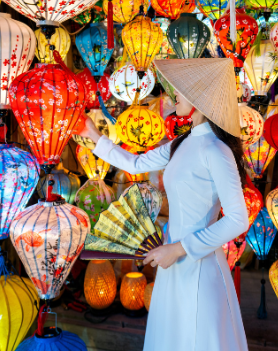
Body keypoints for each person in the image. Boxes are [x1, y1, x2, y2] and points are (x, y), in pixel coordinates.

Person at [78, 58, 249, 351]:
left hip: (197, 266)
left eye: (181, 89)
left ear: (200, 96)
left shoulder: (216, 150)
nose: (173, 95)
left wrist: (178, 248)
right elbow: (136, 162)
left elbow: (237, 219)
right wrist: (94, 135)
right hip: (172, 260)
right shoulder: (181, 143)